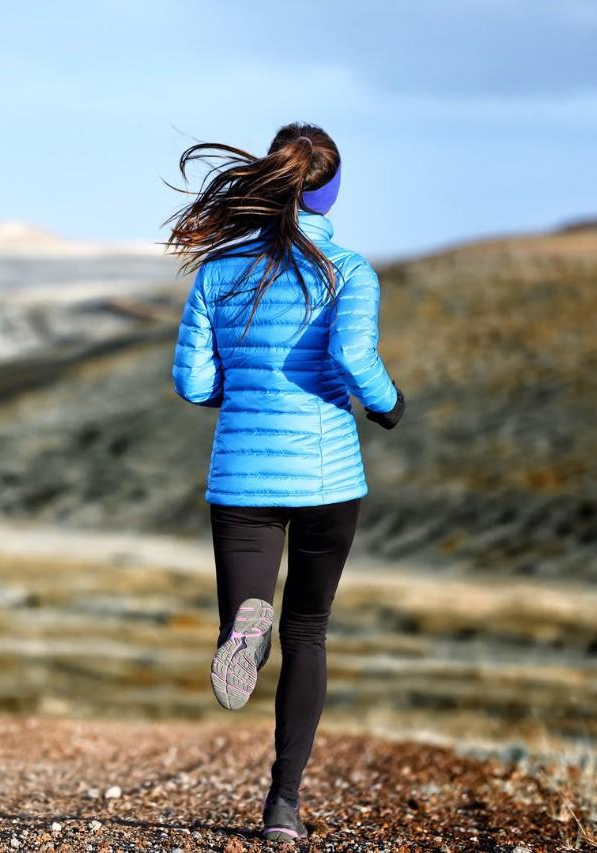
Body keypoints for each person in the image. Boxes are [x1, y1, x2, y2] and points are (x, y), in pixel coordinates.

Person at [164, 122, 405, 842]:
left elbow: (192, 379)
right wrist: (390, 404)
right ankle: (283, 806)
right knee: (309, 630)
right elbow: (354, 356)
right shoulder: (351, 272)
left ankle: (244, 624)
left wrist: (239, 398)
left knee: (250, 612)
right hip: (328, 473)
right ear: (331, 192)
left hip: (242, 474)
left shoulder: (218, 271)